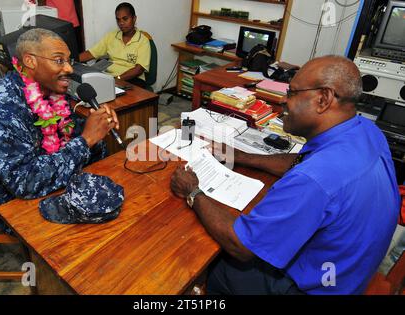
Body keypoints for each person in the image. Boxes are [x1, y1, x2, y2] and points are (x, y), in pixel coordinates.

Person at [170, 55, 401, 294]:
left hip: (316, 287)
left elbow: (240, 245)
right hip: (349, 270)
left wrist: (193, 191)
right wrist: (241, 156)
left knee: (214, 265)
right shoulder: (366, 131)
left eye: (291, 93)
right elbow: (303, 160)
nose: (283, 101)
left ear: (323, 99)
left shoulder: (314, 179)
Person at [0, 28, 119, 233]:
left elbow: (67, 135)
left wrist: (96, 127)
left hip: (24, 171)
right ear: (30, 61)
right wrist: (86, 140)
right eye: (59, 60)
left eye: (70, 60)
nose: (69, 68)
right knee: (75, 221)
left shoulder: (49, 90)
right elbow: (25, 183)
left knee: (97, 195)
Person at [79, 2, 150, 87]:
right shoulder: (111, 36)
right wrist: (69, 60)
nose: (121, 23)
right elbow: (91, 53)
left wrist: (117, 79)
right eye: (118, 20)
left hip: (133, 79)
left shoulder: (143, 41)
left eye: (125, 19)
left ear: (134, 19)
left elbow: (138, 70)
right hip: (110, 77)